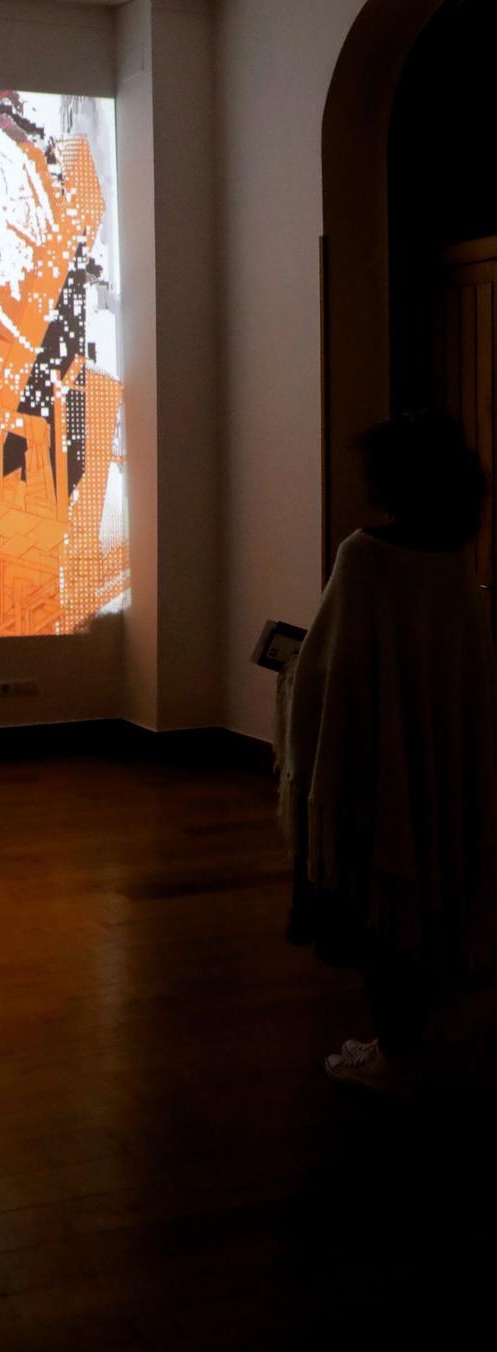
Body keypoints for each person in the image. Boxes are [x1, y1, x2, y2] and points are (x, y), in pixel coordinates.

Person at [278, 410, 497, 1095]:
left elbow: (329, 675)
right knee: (429, 900)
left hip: (373, 765)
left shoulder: (364, 556)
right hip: (442, 757)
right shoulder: (454, 555)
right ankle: (419, 1040)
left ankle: (396, 1054)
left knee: (380, 911)